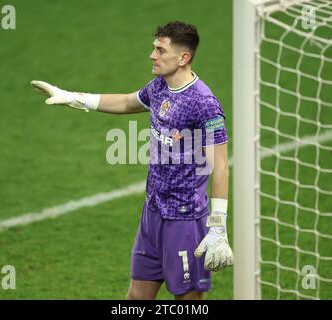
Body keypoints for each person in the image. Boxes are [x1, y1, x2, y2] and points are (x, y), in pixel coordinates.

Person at [31, 21, 233, 300]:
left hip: (184, 219)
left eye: (160, 50)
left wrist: (218, 225)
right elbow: (128, 102)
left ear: (183, 57)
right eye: (154, 48)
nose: (152, 55)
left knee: (188, 300)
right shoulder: (160, 87)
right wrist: (75, 98)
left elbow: (220, 165)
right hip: (152, 212)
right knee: (137, 297)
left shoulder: (204, 103)